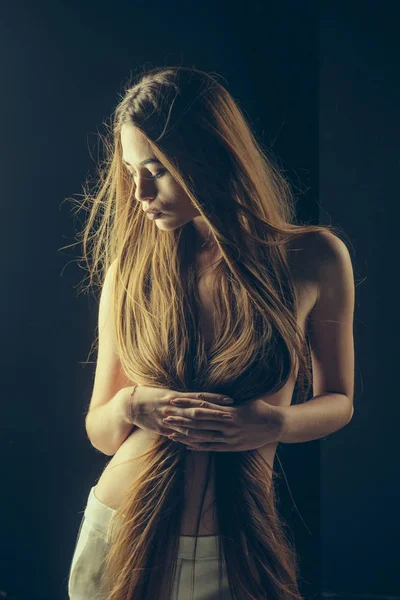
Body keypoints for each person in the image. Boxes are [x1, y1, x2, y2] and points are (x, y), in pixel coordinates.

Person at [67, 66, 355, 600]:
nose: (140, 192)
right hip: (119, 537)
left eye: (157, 168)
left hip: (237, 545)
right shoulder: (130, 272)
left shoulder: (312, 257)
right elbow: (101, 431)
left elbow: (340, 400)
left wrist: (274, 422)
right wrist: (132, 406)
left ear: (214, 156)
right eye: (131, 171)